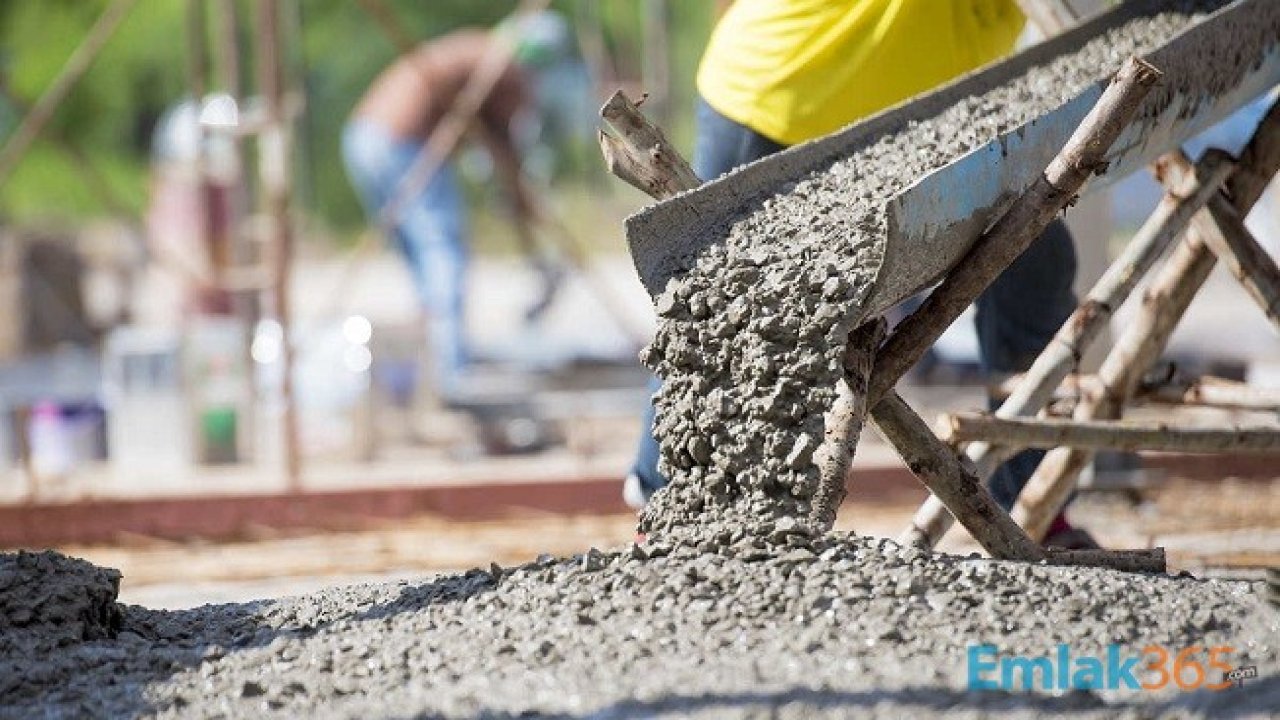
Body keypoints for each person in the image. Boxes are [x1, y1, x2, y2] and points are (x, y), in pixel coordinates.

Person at [623, 0, 1095, 549]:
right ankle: (670, 514)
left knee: (1034, 262)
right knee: (726, 305)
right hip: (783, 96)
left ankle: (1036, 505)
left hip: (926, 118)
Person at [341, 13, 569, 401]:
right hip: (402, 143)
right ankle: (452, 371)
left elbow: (497, 147)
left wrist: (518, 201)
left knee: (423, 263)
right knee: (442, 249)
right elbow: (506, 148)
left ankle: (435, 360)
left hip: (363, 139)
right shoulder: (504, 68)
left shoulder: (477, 54)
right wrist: (523, 204)